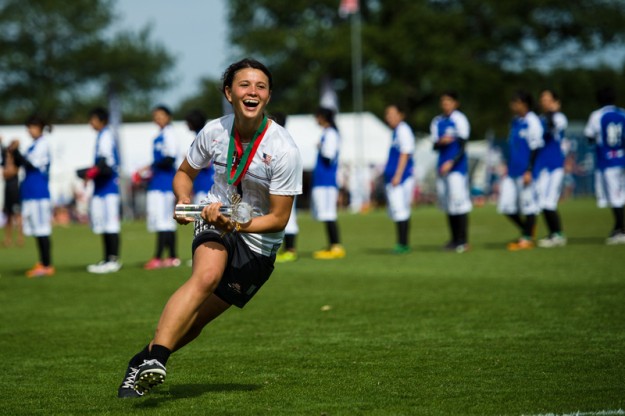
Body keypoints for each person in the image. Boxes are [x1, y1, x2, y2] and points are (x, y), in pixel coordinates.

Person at [116, 58, 302, 398]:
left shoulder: (283, 149)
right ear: (228, 93)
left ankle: (142, 359)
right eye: (244, 85)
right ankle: (158, 360)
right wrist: (185, 201)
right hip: (215, 217)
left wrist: (238, 223)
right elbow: (184, 173)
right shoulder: (214, 131)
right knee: (205, 277)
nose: (252, 92)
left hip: (259, 244)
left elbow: (279, 219)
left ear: (269, 96)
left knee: (197, 320)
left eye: (260, 86)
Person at [497, 91, 544, 251]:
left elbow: (535, 148)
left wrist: (529, 170)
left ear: (524, 104)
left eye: (515, 102)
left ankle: (527, 238)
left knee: (528, 205)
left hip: (526, 171)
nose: (513, 106)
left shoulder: (533, 122)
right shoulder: (515, 121)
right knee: (506, 206)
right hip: (512, 171)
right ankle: (527, 230)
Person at [10, 115, 55, 277]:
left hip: (39, 193)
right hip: (30, 193)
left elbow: (30, 164)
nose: (30, 130)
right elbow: (19, 163)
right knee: (36, 229)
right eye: (28, 127)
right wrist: (11, 151)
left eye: (33, 127)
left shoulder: (42, 144)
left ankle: (47, 264)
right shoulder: (33, 145)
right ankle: (42, 262)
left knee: (43, 229)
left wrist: (16, 151)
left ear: (40, 128)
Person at [139, 105, 180, 269]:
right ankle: (172, 256)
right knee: (165, 222)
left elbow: (170, 158)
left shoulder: (170, 134)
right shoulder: (160, 135)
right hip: (158, 182)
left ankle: (157, 257)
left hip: (165, 184)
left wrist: (152, 167)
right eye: (155, 115)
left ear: (168, 117)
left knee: (163, 221)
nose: (158, 118)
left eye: (161, 115)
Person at [81, 107, 122, 273]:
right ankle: (106, 259)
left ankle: (113, 259)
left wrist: (89, 173)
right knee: (104, 225)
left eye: (93, 119)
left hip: (109, 188)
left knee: (111, 225)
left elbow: (106, 162)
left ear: (101, 120)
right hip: (101, 188)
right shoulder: (101, 136)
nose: (91, 122)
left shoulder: (106, 135)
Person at [429, 92, 472, 253]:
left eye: (449, 101)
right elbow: (434, 146)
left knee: (459, 203)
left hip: (457, 169)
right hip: (442, 167)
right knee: (448, 204)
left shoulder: (459, 119)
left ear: (455, 103)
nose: (445, 104)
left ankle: (463, 240)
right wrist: (441, 142)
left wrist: (452, 162)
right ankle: (454, 239)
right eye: (443, 101)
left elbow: (463, 145)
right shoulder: (437, 121)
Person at [583, 86, 625, 245]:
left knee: (615, 196)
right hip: (622, 158)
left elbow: (589, 136)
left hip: (608, 160)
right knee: (620, 194)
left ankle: (621, 230)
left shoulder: (597, 115)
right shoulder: (622, 113)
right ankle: (617, 228)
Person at [311, 107, 345, 259]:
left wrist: (320, 147)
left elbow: (328, 154)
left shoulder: (330, 133)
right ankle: (332, 245)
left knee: (328, 213)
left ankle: (336, 246)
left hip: (327, 180)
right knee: (325, 213)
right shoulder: (328, 132)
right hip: (323, 180)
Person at [536, 90, 568, 248]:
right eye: (543, 99)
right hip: (542, 166)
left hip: (555, 165)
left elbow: (552, 128)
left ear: (556, 102)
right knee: (541, 201)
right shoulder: (540, 119)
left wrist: (552, 112)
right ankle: (553, 233)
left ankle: (558, 234)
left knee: (549, 202)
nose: (545, 102)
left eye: (548, 99)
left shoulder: (559, 117)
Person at [384, 104, 416, 254]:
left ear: (400, 115)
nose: (389, 118)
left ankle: (403, 243)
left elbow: (405, 153)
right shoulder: (396, 132)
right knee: (398, 210)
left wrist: (398, 175)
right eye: (387, 115)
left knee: (400, 209)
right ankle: (402, 243)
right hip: (395, 177)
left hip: (401, 178)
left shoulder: (403, 130)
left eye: (392, 114)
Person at [270, 112, 299, 263]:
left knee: (289, 217)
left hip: (286, 183)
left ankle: (291, 250)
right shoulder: (279, 137)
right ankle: (285, 249)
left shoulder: (283, 139)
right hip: (281, 182)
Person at [184, 109, 215, 205]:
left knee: (201, 218)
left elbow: (207, 162)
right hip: (202, 186)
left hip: (205, 187)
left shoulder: (202, 137)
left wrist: (189, 161)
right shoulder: (204, 135)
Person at [1, 137, 24, 247]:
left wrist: (6, 172)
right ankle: (8, 239)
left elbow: (10, 173)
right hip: (7, 189)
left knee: (17, 215)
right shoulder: (5, 158)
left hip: (14, 189)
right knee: (8, 215)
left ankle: (20, 238)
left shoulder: (17, 159)